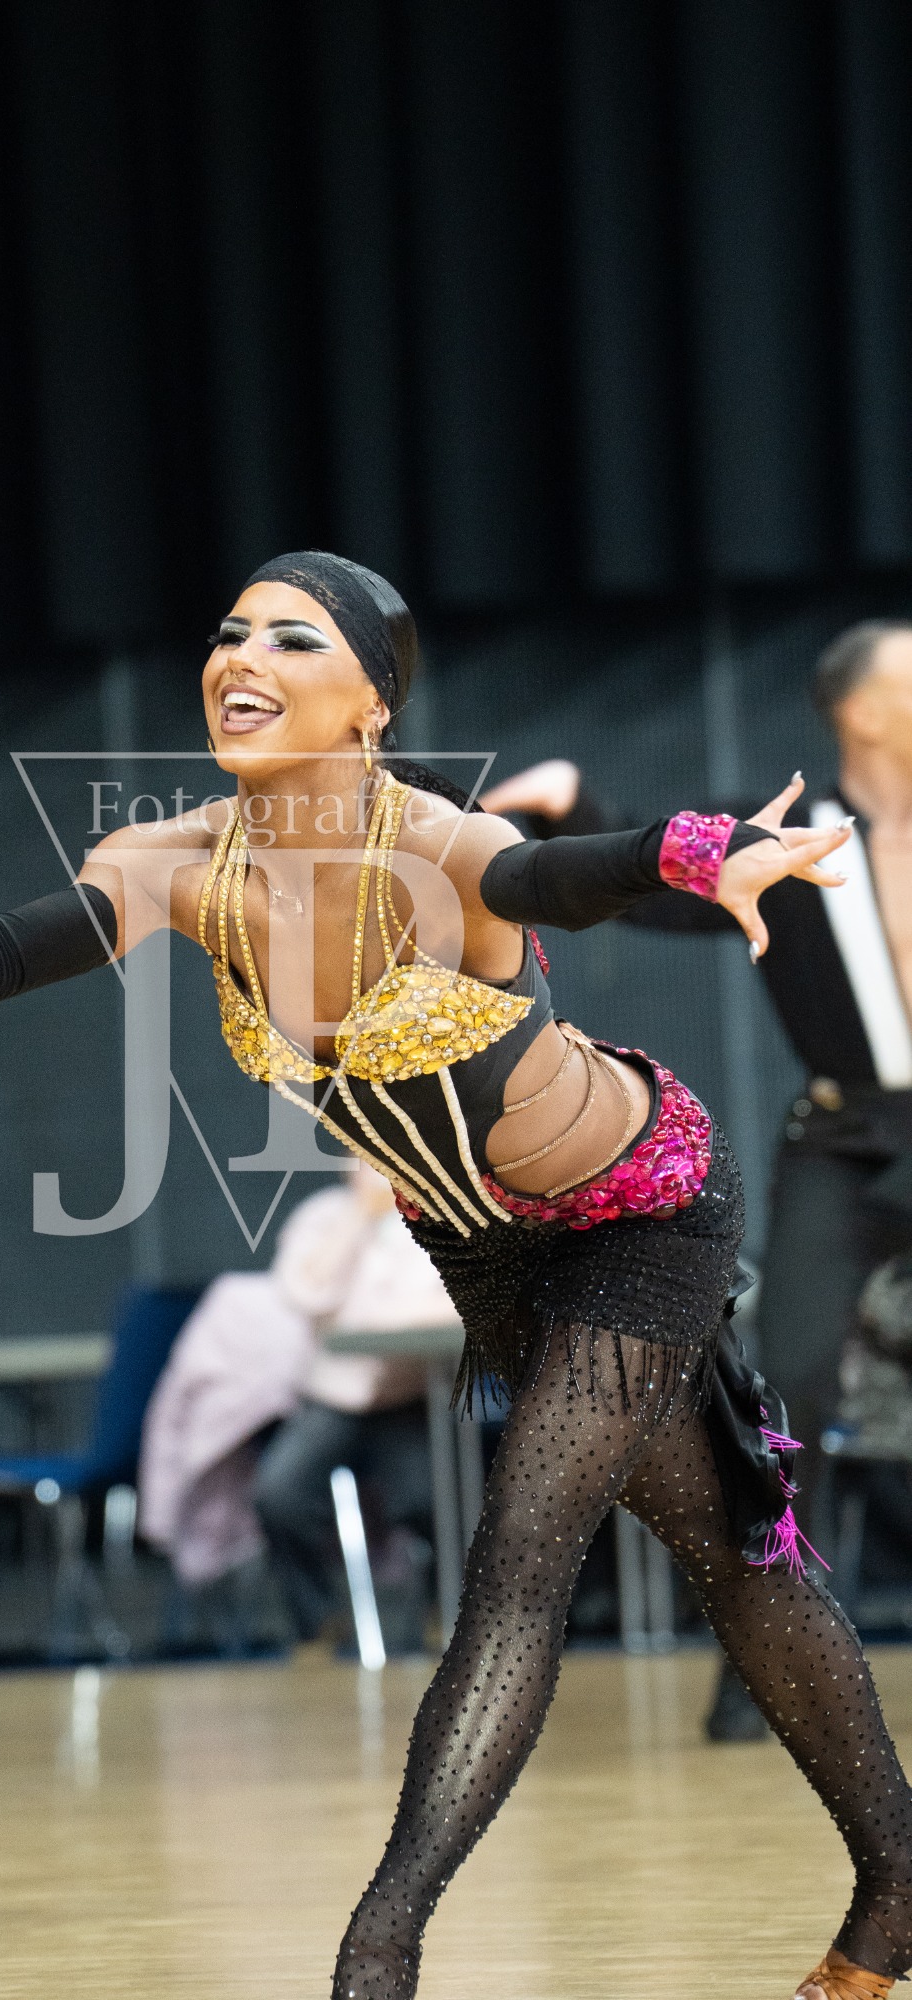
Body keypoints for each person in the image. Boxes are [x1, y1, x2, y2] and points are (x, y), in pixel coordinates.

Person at [0, 553, 899, 2000]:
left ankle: (377, 1954)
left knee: (517, 1558)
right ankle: (899, 1883)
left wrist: (693, 851)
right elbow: (0, 955)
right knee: (730, 1552)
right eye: (229, 632)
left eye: (292, 638)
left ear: (373, 702)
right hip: (483, 1250)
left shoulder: (439, 844)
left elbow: (553, 873)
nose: (241, 656)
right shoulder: (172, 862)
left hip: (640, 1215)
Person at [482, 622, 912, 1742]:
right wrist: (573, 804)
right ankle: (765, 1665)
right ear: (862, 711)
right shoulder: (792, 836)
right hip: (848, 1136)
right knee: (789, 1390)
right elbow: (652, 878)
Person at [139, 1161, 450, 1648]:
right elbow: (305, 1292)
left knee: (431, 1499)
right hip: (329, 1397)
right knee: (279, 1495)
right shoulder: (323, 1216)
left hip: (406, 1399)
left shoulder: (440, 1222)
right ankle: (316, 1622)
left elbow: (450, 1308)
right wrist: (359, 1218)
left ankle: (444, 1608)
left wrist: (372, 1321)